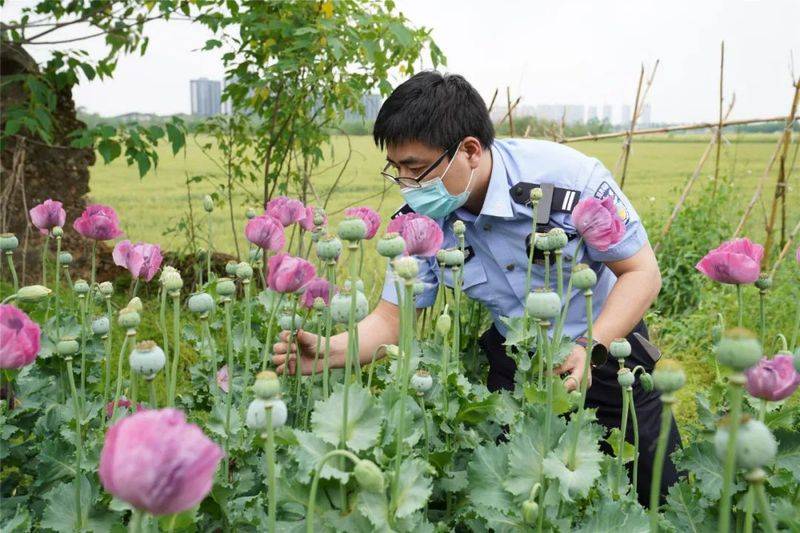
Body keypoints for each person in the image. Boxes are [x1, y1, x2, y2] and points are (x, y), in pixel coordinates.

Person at [271, 71, 681, 505]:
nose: (407, 184)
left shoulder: (568, 180)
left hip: (608, 355)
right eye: (397, 170)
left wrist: (589, 346)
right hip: (517, 368)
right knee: (522, 503)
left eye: (416, 169)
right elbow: (391, 321)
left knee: (656, 499)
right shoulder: (419, 222)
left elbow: (642, 273)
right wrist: (330, 351)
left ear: (469, 150)